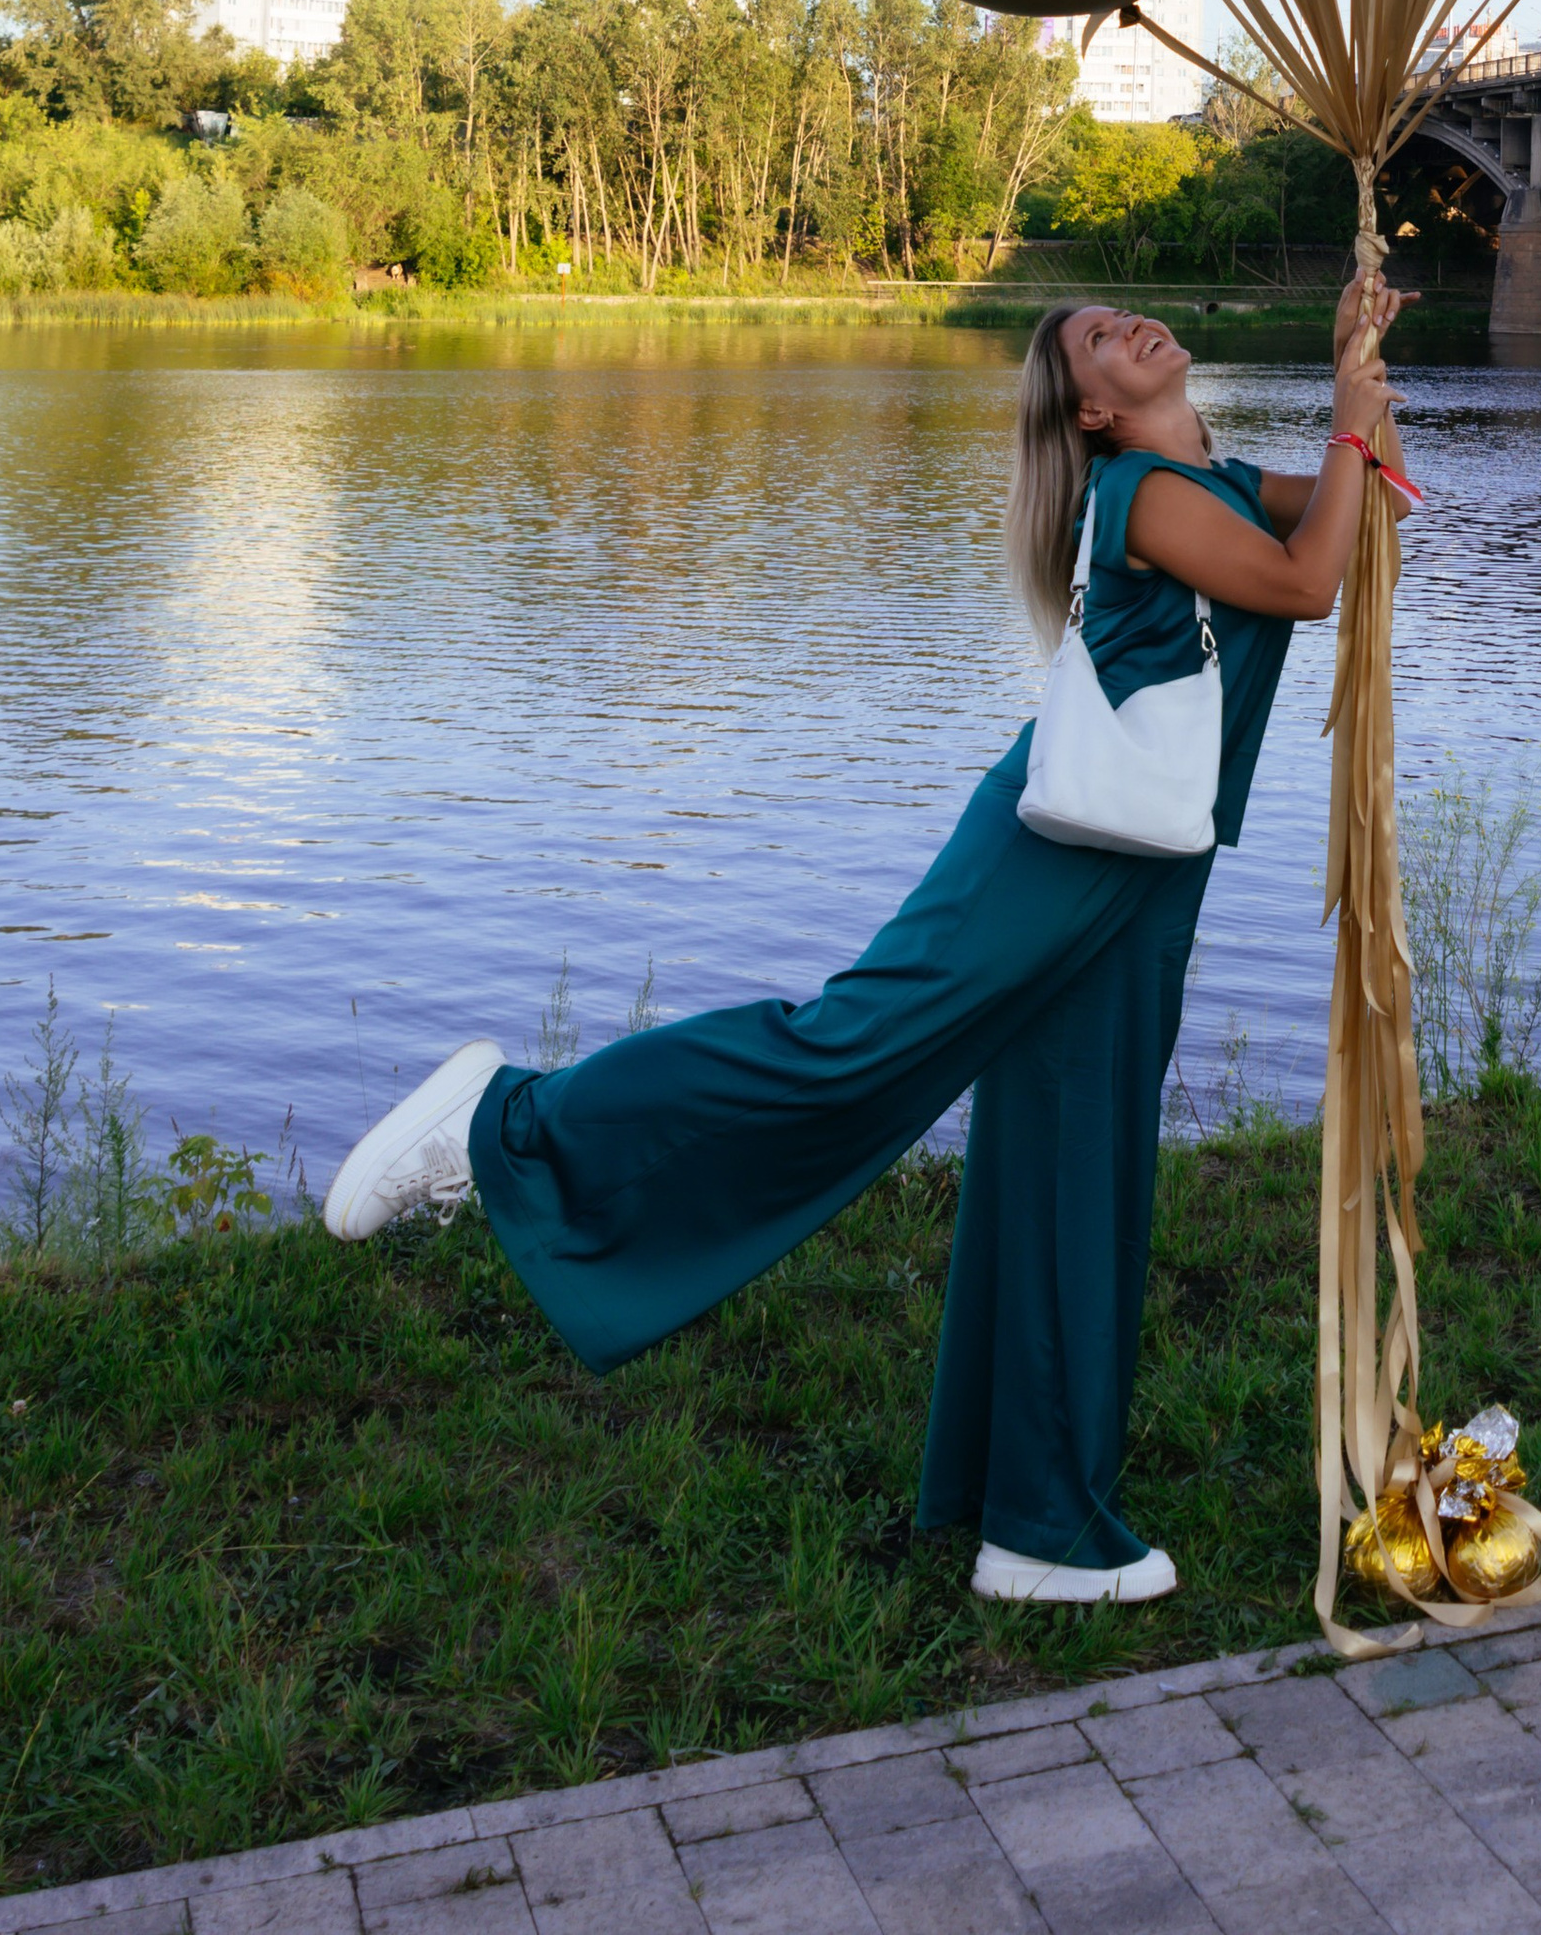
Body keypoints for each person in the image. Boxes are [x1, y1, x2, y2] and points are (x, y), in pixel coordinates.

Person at [319, 288, 1410, 1605]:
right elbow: (1306, 581)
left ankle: (1038, 1524)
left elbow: (1372, 505)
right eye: (1102, 340)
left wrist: (1360, 369)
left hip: (1147, 873)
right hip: (1057, 852)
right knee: (845, 1051)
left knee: (1078, 1160)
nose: (1133, 331)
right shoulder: (1139, 495)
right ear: (1094, 410)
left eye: (1129, 318)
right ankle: (507, 1124)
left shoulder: (1223, 477)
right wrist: (1351, 432)